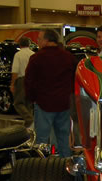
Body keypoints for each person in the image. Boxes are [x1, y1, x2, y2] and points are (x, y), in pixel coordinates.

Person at [25, 29, 75, 157]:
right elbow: (75, 79)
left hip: (43, 105)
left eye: (40, 39)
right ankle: (66, 167)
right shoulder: (68, 57)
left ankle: (41, 168)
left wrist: (32, 99)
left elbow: (29, 82)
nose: (38, 42)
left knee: (41, 139)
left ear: (46, 41)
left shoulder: (36, 58)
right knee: (64, 138)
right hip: (64, 104)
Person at [9, 37, 35, 125]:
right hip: (31, 79)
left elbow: (15, 71)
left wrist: (12, 84)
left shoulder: (18, 54)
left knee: (18, 103)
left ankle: (29, 119)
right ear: (29, 44)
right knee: (29, 103)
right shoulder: (33, 54)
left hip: (22, 79)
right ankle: (29, 127)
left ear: (20, 45)